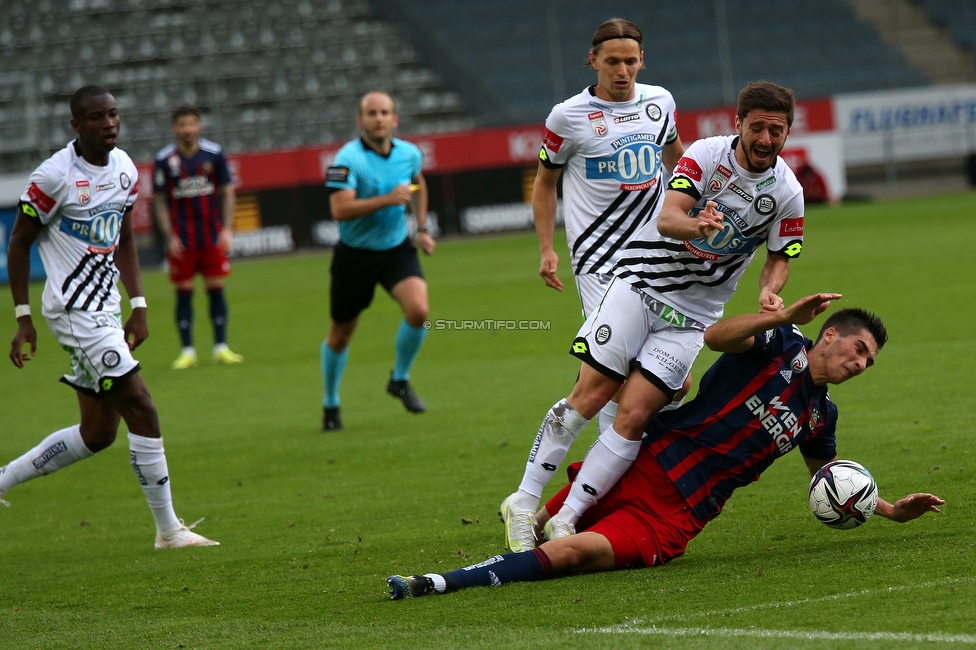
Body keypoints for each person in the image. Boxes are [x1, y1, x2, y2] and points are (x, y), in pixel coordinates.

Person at [387, 293, 944, 599]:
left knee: (574, 552)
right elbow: (715, 337)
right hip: (644, 461)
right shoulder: (778, 342)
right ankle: (487, 557)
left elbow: (829, 475)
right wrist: (781, 315)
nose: (861, 364)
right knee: (537, 531)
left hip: (679, 515)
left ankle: (439, 584)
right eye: (860, 349)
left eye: (869, 361)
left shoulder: (822, 415)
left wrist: (890, 510)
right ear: (831, 334)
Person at [501, 80, 807, 551]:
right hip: (640, 285)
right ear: (739, 124)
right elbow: (668, 218)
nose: (767, 139)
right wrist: (697, 222)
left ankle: (567, 519)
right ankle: (523, 502)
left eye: (777, 130)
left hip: (695, 315)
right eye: (758, 128)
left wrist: (769, 292)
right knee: (592, 391)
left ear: (788, 131)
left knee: (636, 414)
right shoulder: (706, 155)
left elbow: (780, 256)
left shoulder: (788, 191)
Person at [2, 85, 219, 549]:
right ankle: (168, 530)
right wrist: (24, 318)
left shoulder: (124, 168)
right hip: (74, 311)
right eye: (97, 117)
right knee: (141, 404)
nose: (109, 123)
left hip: (106, 308)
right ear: (76, 125)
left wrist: (138, 304)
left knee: (98, 433)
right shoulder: (54, 176)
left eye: (114, 114)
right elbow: (18, 242)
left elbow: (121, 238)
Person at [533, 17, 687, 447]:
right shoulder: (567, 117)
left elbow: (680, 161)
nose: (622, 71)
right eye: (613, 61)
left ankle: (628, 460)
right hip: (599, 262)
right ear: (593, 60)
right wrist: (547, 248)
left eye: (631, 62)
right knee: (618, 382)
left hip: (658, 257)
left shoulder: (660, 103)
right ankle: (597, 483)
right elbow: (545, 183)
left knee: (676, 380)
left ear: (642, 61)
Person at [321, 91, 435, 431]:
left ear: (394, 119)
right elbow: (339, 210)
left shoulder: (409, 154)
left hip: (396, 249)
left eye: (385, 112)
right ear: (360, 121)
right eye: (371, 113)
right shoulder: (346, 159)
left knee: (419, 311)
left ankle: (399, 380)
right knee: (341, 335)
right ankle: (331, 403)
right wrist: (389, 199)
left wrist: (423, 227)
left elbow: (418, 183)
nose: (379, 118)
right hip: (354, 257)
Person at [153, 104, 242, 369]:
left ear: (199, 125)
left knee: (216, 289)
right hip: (183, 238)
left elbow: (227, 192)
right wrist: (169, 237)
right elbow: (159, 201)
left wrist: (226, 229)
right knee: (184, 293)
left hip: (211, 236)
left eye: (192, 123)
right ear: (175, 128)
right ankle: (188, 351)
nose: (187, 129)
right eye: (182, 124)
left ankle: (221, 347)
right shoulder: (164, 160)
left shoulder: (214, 154)